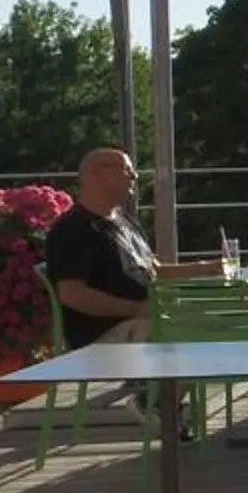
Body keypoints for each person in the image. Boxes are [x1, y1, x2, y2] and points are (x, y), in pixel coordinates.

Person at [43, 146, 154, 348]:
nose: (134, 176)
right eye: (126, 169)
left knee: (201, 319)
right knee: (181, 332)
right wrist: (135, 309)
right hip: (104, 334)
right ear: (95, 174)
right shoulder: (74, 229)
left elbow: (155, 269)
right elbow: (72, 294)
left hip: (141, 319)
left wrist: (211, 267)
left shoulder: (123, 220)